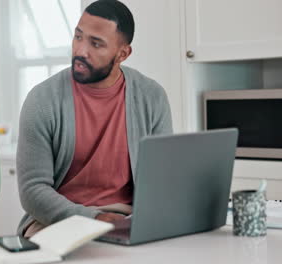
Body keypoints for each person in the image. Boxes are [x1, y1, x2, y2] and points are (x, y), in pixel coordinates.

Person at [17, 0, 173, 237]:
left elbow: (161, 180)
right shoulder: (42, 100)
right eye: (78, 36)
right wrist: (94, 218)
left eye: (95, 43)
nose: (80, 50)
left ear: (122, 54)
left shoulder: (152, 97)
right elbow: (32, 191)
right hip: (57, 221)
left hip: (127, 219)